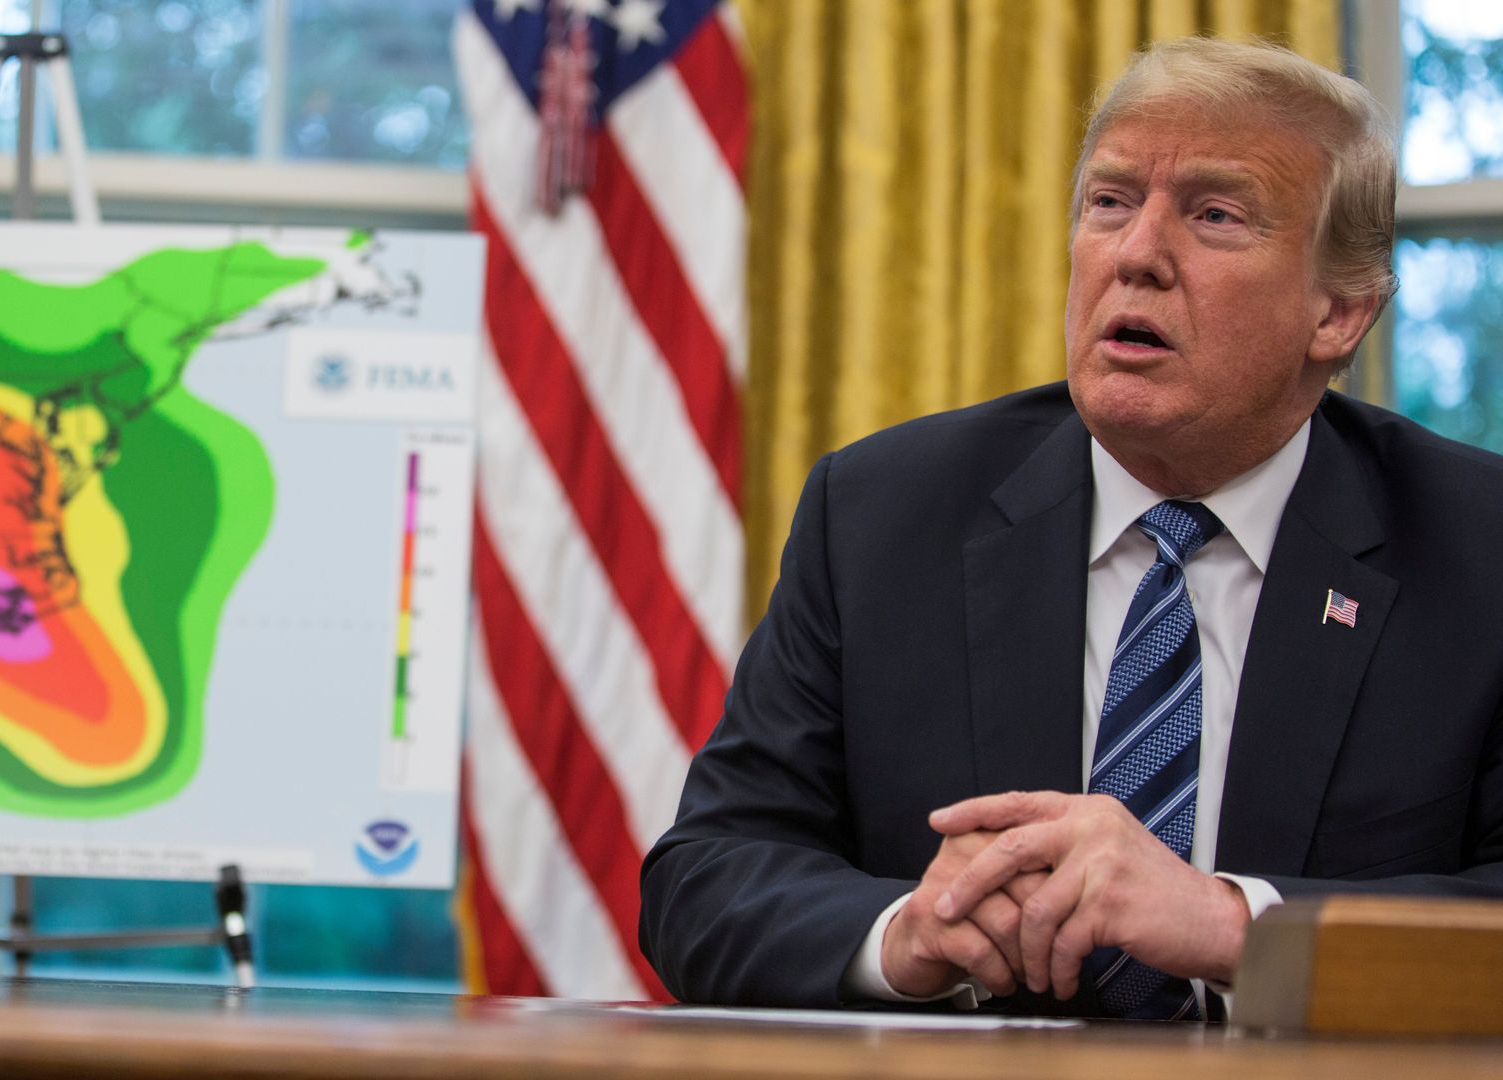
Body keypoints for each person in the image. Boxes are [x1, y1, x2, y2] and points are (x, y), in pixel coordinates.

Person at [639, 37, 1503, 1019]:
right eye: (1109, 202)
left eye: (1215, 216)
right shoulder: (883, 514)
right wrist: (904, 933)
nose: (1137, 255)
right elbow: (705, 876)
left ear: (1339, 314)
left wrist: (1233, 925)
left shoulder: (1478, 552)